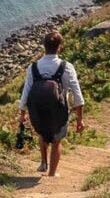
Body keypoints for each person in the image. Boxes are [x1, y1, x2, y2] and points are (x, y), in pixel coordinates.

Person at [18, 30, 85, 177]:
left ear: (44, 46)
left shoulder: (33, 67)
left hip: (37, 110)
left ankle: (43, 163)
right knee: (56, 141)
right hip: (59, 111)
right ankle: (52, 174)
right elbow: (77, 94)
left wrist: (22, 114)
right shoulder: (67, 67)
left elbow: (26, 93)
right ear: (59, 47)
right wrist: (80, 119)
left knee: (42, 133)